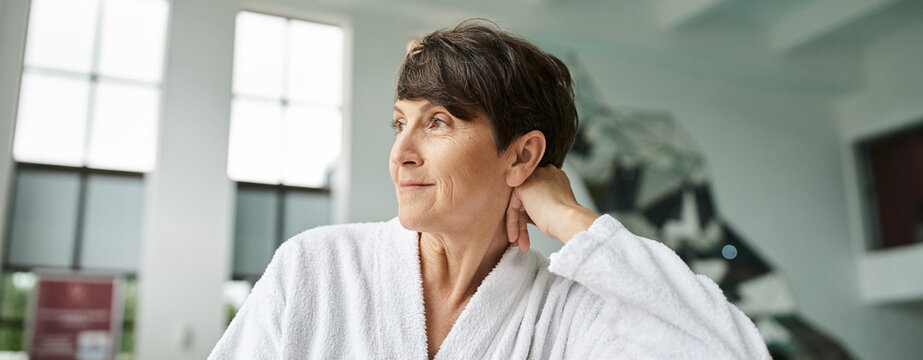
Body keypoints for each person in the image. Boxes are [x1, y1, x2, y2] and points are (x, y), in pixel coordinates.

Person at [209, 20, 770, 359]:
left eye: (438, 123)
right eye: (399, 122)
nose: (401, 152)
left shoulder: (568, 311)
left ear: (522, 155)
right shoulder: (316, 269)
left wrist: (576, 221)